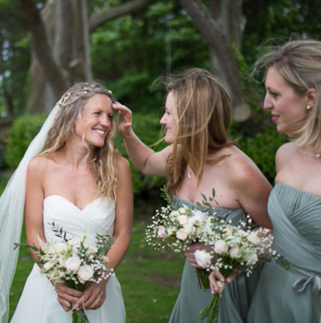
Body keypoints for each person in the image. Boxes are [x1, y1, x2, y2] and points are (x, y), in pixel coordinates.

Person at [113, 68, 272, 323]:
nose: (162, 120)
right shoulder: (182, 153)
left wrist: (229, 252)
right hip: (194, 282)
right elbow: (146, 162)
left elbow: (278, 232)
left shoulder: (239, 172)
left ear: (193, 118)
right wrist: (127, 133)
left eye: (169, 113)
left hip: (231, 285)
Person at [0, 82, 133, 323]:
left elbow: (123, 232)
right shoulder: (40, 167)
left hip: (99, 292)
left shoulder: (119, 168)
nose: (106, 123)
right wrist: (58, 281)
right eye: (97, 113)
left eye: (109, 116)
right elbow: (34, 234)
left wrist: (102, 278)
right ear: (73, 115)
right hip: (48, 290)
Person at [233, 40, 321, 322]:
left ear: (310, 97)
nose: (265, 104)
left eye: (274, 93)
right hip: (271, 301)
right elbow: (285, 238)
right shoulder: (285, 155)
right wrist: (233, 254)